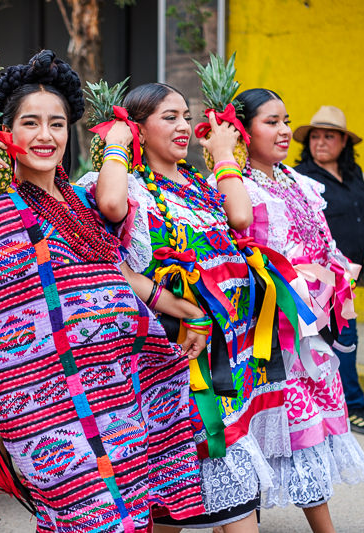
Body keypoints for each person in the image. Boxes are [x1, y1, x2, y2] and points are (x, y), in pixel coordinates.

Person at [0, 50, 208, 533]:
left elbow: (123, 275)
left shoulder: (82, 199)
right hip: (45, 404)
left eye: (56, 124)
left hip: (121, 387)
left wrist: (190, 312)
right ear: (7, 133)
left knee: (134, 515)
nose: (45, 136)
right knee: (89, 517)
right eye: (30, 123)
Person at [89, 82, 299, 532]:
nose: (184, 126)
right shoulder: (129, 189)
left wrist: (222, 152)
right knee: (211, 489)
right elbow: (112, 234)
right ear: (136, 130)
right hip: (171, 358)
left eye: (186, 115)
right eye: (169, 117)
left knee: (179, 497)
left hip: (224, 358)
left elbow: (240, 217)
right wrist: (183, 310)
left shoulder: (199, 187)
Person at [228, 88, 364, 533]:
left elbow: (322, 242)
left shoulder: (294, 180)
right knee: (264, 431)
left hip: (310, 327)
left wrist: (334, 278)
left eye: (285, 120)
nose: (285, 130)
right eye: (271, 122)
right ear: (243, 130)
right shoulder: (235, 186)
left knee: (308, 432)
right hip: (265, 331)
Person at [293, 105, 364, 436]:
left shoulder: (356, 176)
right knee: (343, 338)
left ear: (344, 142)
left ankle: (334, 405)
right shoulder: (302, 178)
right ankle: (355, 407)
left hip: (350, 275)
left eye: (329, 136)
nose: (320, 142)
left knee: (341, 338)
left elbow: (362, 211)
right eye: (315, 137)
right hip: (318, 277)